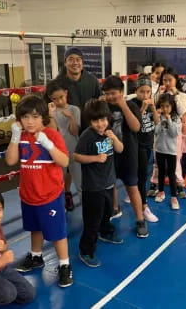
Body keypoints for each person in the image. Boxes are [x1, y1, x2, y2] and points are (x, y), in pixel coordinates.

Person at [4, 94, 73, 288]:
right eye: (25, 117)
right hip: (28, 194)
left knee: (57, 232)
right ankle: (36, 257)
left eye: (34, 117)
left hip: (50, 194)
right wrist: (15, 137)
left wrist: (48, 145)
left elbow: (65, 161)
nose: (30, 121)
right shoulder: (22, 137)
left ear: (43, 117)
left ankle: (64, 265)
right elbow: (10, 160)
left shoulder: (52, 135)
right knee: (34, 227)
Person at [74, 99, 124, 267]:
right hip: (93, 186)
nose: (101, 124)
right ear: (90, 121)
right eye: (96, 121)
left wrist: (114, 138)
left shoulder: (109, 131)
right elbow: (76, 156)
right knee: (92, 220)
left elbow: (120, 149)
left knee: (107, 212)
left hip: (109, 183)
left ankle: (106, 232)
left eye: (103, 119)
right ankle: (86, 250)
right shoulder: (87, 135)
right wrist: (95, 158)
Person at [102, 75, 149, 238]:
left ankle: (140, 220)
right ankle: (114, 209)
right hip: (109, 154)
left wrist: (123, 105)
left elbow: (136, 127)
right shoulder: (104, 108)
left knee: (132, 186)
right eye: (107, 93)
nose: (110, 97)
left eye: (113, 93)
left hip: (129, 154)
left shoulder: (130, 105)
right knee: (110, 184)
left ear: (121, 92)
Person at [147, 68, 186, 199]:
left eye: (170, 80)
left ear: (176, 80)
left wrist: (175, 94)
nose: (167, 82)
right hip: (160, 131)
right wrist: (160, 95)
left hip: (174, 131)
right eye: (165, 80)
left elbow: (182, 112)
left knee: (175, 160)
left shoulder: (182, 95)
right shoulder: (159, 93)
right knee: (156, 161)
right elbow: (154, 109)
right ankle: (155, 184)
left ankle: (179, 184)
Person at [45, 80, 81, 211]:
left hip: (74, 150)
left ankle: (88, 215)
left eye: (61, 97)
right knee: (58, 183)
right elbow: (53, 132)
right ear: (50, 99)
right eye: (55, 99)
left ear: (66, 93)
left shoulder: (74, 109)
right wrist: (51, 116)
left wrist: (71, 117)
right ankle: (60, 209)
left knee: (80, 183)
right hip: (58, 153)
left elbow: (75, 131)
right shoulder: (50, 112)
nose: (59, 101)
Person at [130, 75, 159, 222]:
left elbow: (157, 122)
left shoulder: (151, 103)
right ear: (136, 91)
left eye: (148, 92)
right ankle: (144, 207)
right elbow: (135, 125)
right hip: (137, 145)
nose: (145, 95)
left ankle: (134, 193)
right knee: (142, 177)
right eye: (142, 91)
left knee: (141, 175)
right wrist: (143, 108)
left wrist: (153, 108)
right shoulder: (132, 104)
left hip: (148, 143)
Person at [54, 47, 101, 131]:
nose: (75, 63)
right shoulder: (57, 83)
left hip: (90, 128)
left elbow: (99, 104)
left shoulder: (92, 80)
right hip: (66, 131)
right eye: (71, 59)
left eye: (78, 59)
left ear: (82, 62)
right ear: (65, 62)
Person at [154, 93, 181, 210]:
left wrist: (169, 120)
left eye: (167, 106)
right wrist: (161, 120)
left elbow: (174, 133)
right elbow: (156, 131)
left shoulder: (176, 118)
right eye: (162, 106)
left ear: (172, 106)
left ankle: (174, 197)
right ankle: (160, 191)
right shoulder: (158, 116)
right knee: (160, 171)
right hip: (159, 149)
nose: (165, 109)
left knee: (171, 173)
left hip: (171, 150)